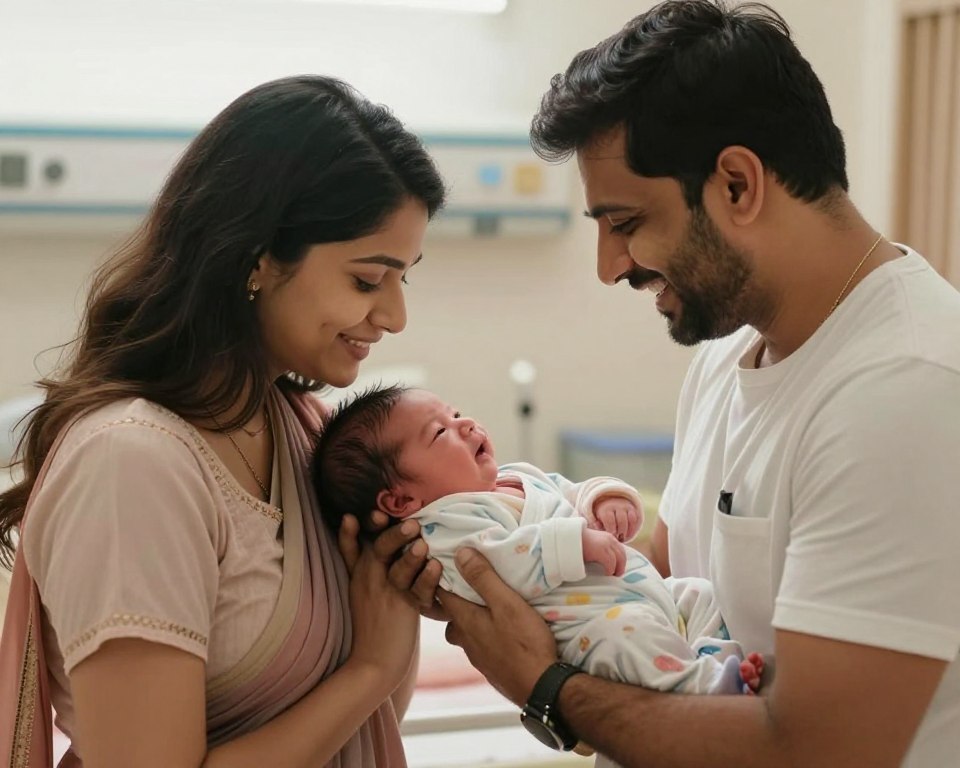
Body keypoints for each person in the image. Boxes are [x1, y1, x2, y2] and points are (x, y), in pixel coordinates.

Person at [433, 2, 960, 767]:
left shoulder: (907, 388)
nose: (610, 265)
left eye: (626, 222)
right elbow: (661, 592)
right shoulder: (728, 355)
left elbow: (815, 753)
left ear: (738, 185)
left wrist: (544, 686)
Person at [0, 75, 447, 767]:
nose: (394, 316)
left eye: (402, 279)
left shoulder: (307, 434)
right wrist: (369, 670)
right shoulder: (132, 466)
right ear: (259, 259)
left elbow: (361, 725)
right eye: (367, 279)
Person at [312, 385, 765, 707]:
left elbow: (568, 490)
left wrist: (602, 498)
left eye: (454, 414)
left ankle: (713, 653)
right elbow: (499, 561)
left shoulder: (515, 477)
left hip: (645, 593)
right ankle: (708, 689)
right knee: (627, 646)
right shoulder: (441, 529)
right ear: (400, 500)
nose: (464, 424)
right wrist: (575, 540)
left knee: (700, 594)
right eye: (439, 432)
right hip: (592, 622)